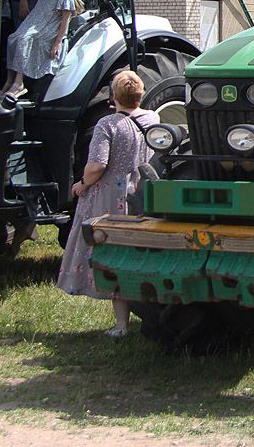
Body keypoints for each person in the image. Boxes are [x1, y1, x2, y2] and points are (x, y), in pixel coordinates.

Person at [56, 70, 157, 337]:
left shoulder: (108, 124)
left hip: (111, 197)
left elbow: (97, 166)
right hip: (143, 193)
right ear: (141, 94)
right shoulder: (153, 118)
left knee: (111, 256)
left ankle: (122, 325)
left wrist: (82, 185)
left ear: (114, 97)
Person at [3, 0, 82, 98]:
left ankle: (19, 83)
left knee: (24, 40)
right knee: (13, 38)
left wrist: (57, 43)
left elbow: (65, 18)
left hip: (50, 28)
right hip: (39, 24)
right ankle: (9, 80)